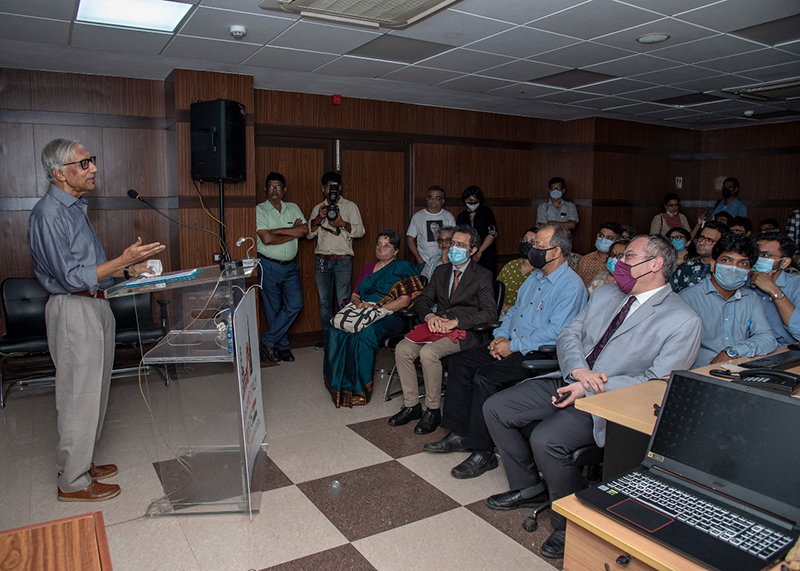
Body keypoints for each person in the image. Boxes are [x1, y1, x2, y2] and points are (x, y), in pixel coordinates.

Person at [483, 234, 702, 559]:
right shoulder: (605, 293)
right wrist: (577, 371)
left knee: (546, 440)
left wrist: (589, 386)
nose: (619, 263)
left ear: (655, 264)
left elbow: (657, 381)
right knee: (496, 408)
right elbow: (569, 333)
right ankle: (527, 486)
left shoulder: (682, 319)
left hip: (611, 401)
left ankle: (569, 523)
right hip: (569, 377)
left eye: (628, 257)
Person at [28, 138, 165, 502]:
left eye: (92, 160)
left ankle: (81, 463)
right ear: (59, 173)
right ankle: (72, 482)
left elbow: (90, 269)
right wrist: (121, 261)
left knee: (95, 393)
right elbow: (70, 277)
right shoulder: (49, 214)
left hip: (96, 304)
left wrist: (128, 271)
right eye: (85, 163)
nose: (94, 168)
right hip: (74, 309)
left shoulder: (75, 208)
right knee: (78, 396)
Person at [423, 224, 587, 479]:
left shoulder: (571, 287)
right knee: (460, 363)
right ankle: (459, 433)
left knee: (486, 376)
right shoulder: (534, 277)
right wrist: (500, 337)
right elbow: (513, 313)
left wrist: (513, 346)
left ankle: (483, 452)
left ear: (556, 252)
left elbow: (556, 333)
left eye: (539, 246)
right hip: (512, 342)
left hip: (540, 353)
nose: (532, 250)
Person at [388, 225, 496, 433]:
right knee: (402, 349)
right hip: (437, 326)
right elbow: (423, 300)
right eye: (452, 243)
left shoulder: (482, 275)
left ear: (473, 250)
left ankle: (433, 410)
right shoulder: (441, 271)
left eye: (460, 245)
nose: (453, 248)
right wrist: (429, 316)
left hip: (465, 331)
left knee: (428, 353)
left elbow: (490, 313)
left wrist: (457, 322)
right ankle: (412, 406)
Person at [324, 231, 424, 408]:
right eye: (379, 244)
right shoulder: (368, 268)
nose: (380, 248)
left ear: (395, 251)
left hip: (392, 314)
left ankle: (359, 389)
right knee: (335, 329)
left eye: (386, 246)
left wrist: (377, 308)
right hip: (363, 310)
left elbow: (404, 301)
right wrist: (359, 304)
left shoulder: (403, 267)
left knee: (365, 333)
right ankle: (338, 384)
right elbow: (355, 295)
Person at [679, 233, 776, 367]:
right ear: (713, 265)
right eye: (726, 260)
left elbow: (767, 339)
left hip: (740, 369)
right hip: (701, 372)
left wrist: (733, 352)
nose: (733, 268)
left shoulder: (751, 298)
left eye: (742, 263)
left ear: (748, 272)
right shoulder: (688, 298)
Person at [307, 172, 365, 350]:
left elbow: (361, 231)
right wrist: (318, 218)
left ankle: (343, 337)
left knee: (343, 301)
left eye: (333, 187)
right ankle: (328, 337)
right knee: (324, 302)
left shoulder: (350, 206)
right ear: (322, 189)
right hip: (322, 260)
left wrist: (342, 224)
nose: (330, 190)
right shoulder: (318, 208)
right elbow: (309, 234)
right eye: (327, 187)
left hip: (342, 261)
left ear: (339, 188)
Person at [255, 172, 306, 363]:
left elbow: (304, 230)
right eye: (270, 186)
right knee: (274, 309)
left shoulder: (293, 208)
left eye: (278, 186)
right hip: (268, 265)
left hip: (290, 267)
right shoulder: (259, 210)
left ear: (284, 190)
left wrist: (277, 231)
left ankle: (268, 341)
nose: (274, 190)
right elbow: (266, 238)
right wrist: (292, 232)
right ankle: (282, 347)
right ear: (265, 189)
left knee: (295, 304)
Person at [749, 232, 800, 345]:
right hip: (749, 350)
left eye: (765, 255)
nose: (758, 259)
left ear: (784, 262)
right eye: (755, 254)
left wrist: (774, 290)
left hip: (785, 350)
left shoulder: (796, 285)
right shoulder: (742, 283)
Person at [406, 185, 456, 272]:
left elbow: (455, 238)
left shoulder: (448, 216)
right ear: (427, 199)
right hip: (424, 262)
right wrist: (419, 259)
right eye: (431, 197)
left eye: (437, 198)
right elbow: (410, 239)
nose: (433, 200)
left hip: (445, 261)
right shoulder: (418, 216)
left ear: (443, 201)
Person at [670, 220, 729, 292]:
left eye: (709, 240)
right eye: (701, 237)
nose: (702, 243)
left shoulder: (725, 271)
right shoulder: (684, 268)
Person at [456, 186, 498, 278]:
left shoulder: (486, 212)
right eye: (470, 200)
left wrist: (480, 251)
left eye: (475, 201)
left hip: (486, 252)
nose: (473, 203)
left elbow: (492, 233)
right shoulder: (461, 216)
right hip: (467, 254)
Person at [497, 228, 536, 313]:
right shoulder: (511, 265)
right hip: (502, 315)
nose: (526, 243)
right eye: (525, 239)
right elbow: (496, 290)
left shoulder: (541, 271)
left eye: (532, 242)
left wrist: (514, 309)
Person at [575, 221, 623, 287]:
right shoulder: (585, 260)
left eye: (609, 238)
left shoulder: (617, 262)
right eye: (601, 235)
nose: (603, 240)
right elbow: (576, 283)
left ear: (617, 241)